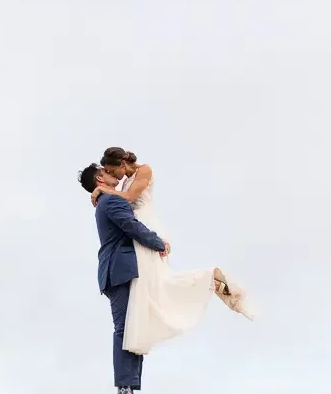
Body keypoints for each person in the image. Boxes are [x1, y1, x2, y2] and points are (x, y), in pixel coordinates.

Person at [91, 147, 252, 361]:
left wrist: (102, 191)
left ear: (122, 164)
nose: (113, 177)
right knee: (156, 284)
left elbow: (129, 198)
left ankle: (208, 277)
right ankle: (209, 279)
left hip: (146, 227)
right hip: (138, 229)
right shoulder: (124, 181)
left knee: (158, 285)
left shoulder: (144, 170)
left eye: (113, 171)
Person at [78, 162, 168, 394]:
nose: (112, 174)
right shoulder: (111, 202)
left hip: (116, 271)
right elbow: (131, 226)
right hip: (120, 270)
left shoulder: (106, 200)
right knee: (126, 329)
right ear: (100, 178)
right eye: (107, 172)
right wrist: (157, 241)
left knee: (132, 327)